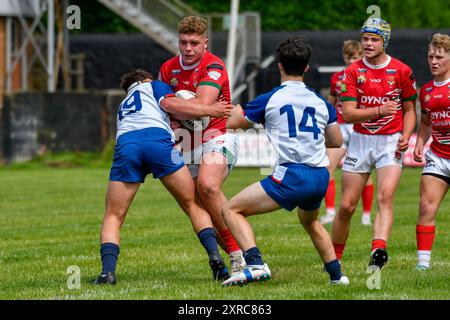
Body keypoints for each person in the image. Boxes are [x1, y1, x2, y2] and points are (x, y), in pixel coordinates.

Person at [221, 37, 349, 287]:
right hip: (320, 176)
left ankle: (255, 265)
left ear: (280, 66)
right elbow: (335, 141)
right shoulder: (321, 102)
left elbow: (234, 123)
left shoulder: (270, 98)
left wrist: (235, 111)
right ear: (307, 68)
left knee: (231, 209)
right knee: (310, 221)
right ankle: (337, 276)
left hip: (293, 175)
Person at [93, 69, 233, 284]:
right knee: (192, 205)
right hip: (158, 143)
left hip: (127, 146)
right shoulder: (155, 85)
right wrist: (207, 109)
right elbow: (172, 105)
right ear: (146, 79)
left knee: (114, 215)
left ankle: (107, 273)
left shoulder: (124, 105)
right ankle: (216, 258)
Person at [158, 16, 245, 275]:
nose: (188, 48)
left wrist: (179, 107)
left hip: (217, 137)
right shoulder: (167, 68)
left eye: (194, 43)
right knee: (202, 211)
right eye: (183, 42)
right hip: (185, 146)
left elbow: (198, 108)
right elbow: (165, 106)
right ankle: (238, 252)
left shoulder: (213, 66)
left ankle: (245, 254)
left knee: (208, 186)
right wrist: (179, 112)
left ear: (205, 43)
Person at [331, 18, 417, 270]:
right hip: (361, 141)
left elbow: (410, 110)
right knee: (347, 206)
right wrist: (380, 109)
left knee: (386, 196)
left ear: (384, 42)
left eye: (374, 39)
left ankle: (378, 251)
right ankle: (334, 260)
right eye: (365, 39)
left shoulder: (401, 70)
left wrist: (406, 133)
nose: (368, 44)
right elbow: (347, 113)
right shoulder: (352, 71)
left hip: (390, 142)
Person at [320, 40, 375, 226]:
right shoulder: (337, 77)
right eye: (349, 56)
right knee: (328, 169)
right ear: (344, 57)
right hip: (341, 127)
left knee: (365, 173)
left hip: (359, 127)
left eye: (357, 56)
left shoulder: (368, 76)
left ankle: (366, 215)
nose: (353, 60)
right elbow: (331, 103)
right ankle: (329, 212)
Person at [413, 33, 450, 270]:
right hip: (438, 155)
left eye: (439, 56)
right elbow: (426, 121)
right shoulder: (425, 91)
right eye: (430, 56)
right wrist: (419, 142)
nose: (433, 61)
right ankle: (423, 265)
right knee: (426, 206)